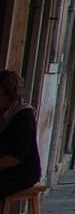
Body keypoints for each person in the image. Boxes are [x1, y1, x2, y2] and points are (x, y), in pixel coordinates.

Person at [0, 71, 40, 200]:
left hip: (22, 171)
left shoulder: (24, 116)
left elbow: (16, 157)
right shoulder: (3, 112)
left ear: (8, 95)